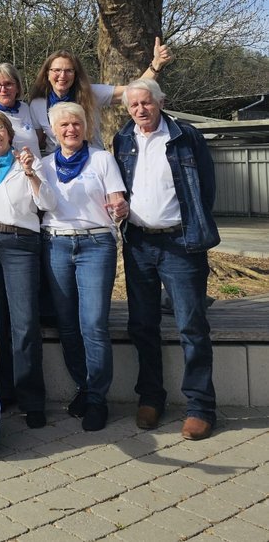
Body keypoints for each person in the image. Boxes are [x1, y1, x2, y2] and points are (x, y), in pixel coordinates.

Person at [114, 79, 220, 441]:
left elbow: (205, 189)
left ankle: (201, 406)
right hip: (139, 243)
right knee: (142, 324)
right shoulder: (122, 140)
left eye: (146, 103)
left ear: (160, 102)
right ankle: (151, 397)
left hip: (180, 242)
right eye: (134, 106)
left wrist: (192, 227)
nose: (140, 110)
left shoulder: (185, 136)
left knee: (192, 325)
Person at [0, 112, 56, 428]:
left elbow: (48, 203)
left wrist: (31, 174)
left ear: (9, 133)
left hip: (20, 242)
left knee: (25, 321)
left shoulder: (28, 162)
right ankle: (2, 392)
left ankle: (32, 399)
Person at [40, 102, 128, 431]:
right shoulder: (45, 165)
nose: (70, 129)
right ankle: (84, 386)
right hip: (56, 243)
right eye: (63, 125)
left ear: (85, 126)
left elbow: (118, 202)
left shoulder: (102, 160)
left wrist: (120, 208)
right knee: (67, 324)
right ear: (53, 130)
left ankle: (97, 398)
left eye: (76, 123)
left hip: (95, 244)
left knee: (93, 324)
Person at [29, 39, 173, 154]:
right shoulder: (37, 104)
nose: (62, 76)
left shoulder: (91, 93)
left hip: (92, 162)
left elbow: (134, 90)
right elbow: (36, 141)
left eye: (68, 71)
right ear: (47, 73)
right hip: (56, 166)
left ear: (76, 74)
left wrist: (156, 65)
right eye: (57, 70)